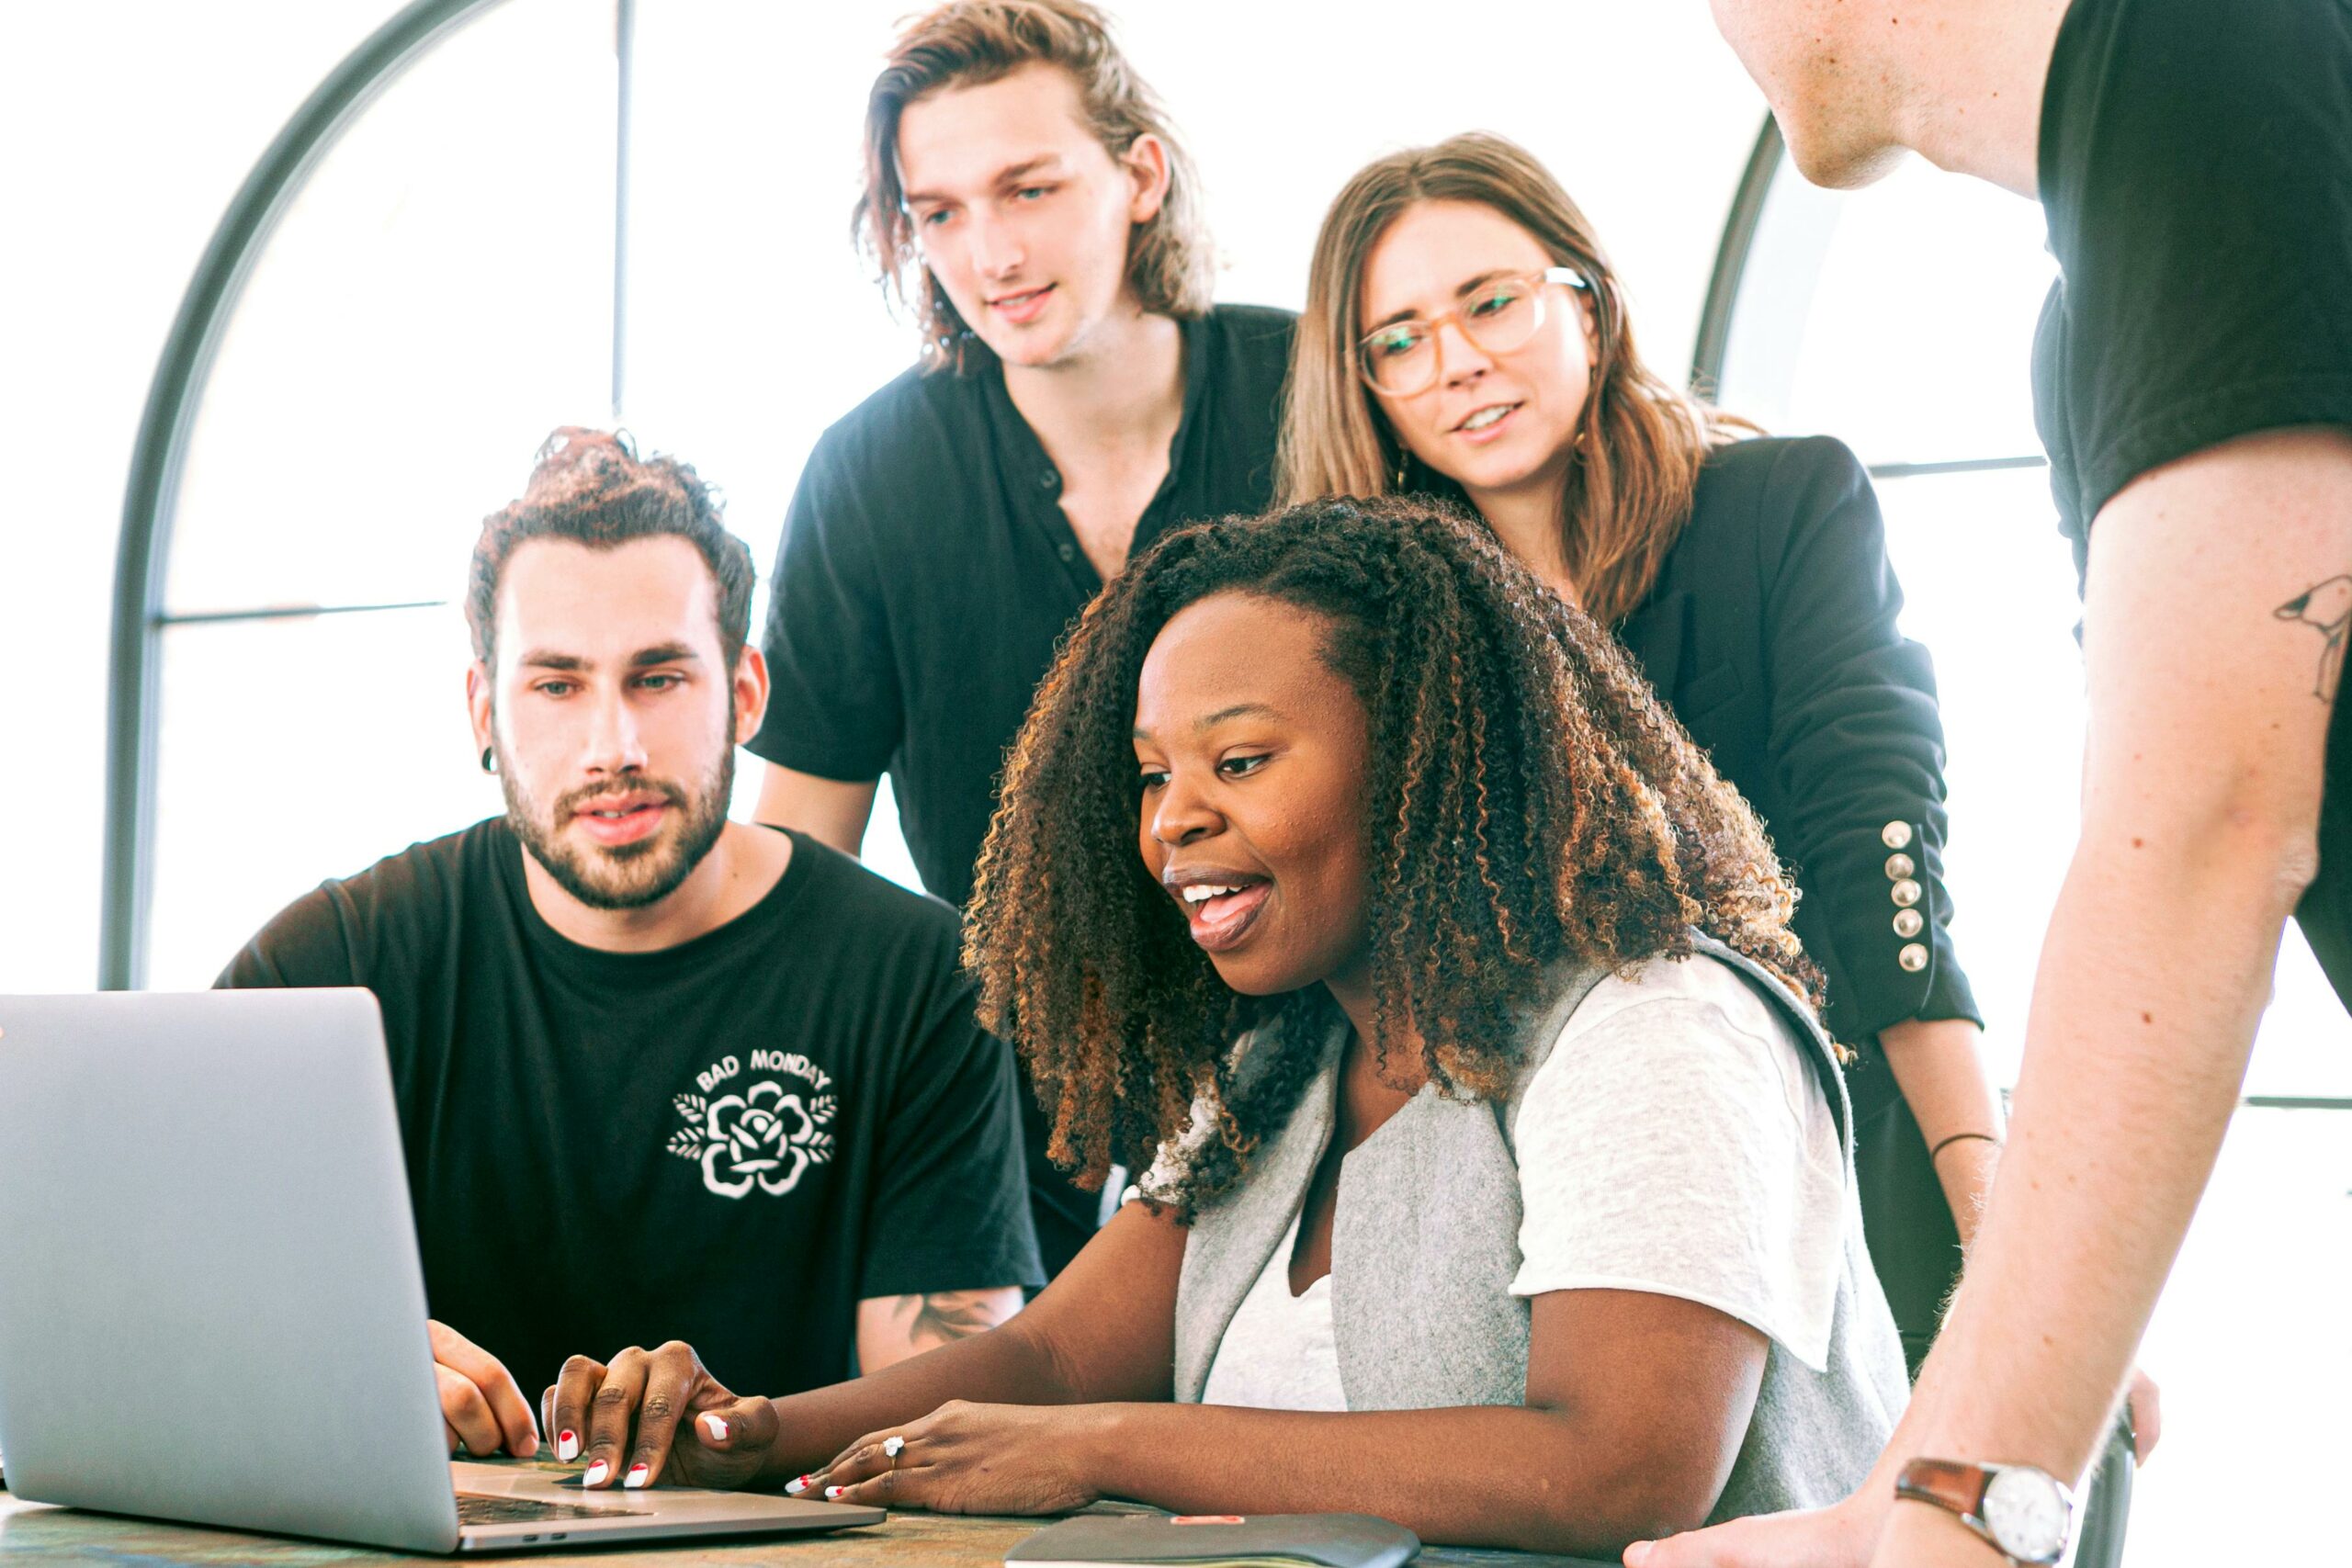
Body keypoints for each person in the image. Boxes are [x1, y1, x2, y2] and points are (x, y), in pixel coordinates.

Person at [530, 496, 1910, 1555]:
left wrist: (1109, 1447)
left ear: (1425, 752)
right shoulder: (1289, 1060)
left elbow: (1619, 1461)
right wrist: (745, 1434)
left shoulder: (1653, 1022)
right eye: (1151, 775)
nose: (1172, 819)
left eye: (1238, 760)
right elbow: (1052, 1355)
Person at [1638, 2, 2352, 1566]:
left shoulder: (2215, 53)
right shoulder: (2095, 284)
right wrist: (1920, 1485)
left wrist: (1965, 1509)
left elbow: (2207, 834)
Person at [1282, 131, 2000, 1371]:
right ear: (1367, 390)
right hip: (1532, 1183)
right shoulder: (1367, 630)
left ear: (1591, 303)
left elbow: (1881, 841)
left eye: (1490, 303)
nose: (1455, 362)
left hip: (1827, 1124)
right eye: (1396, 340)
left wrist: (1989, 1195)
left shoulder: (1780, 509)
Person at [220, 429, 1042, 1472]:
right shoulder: (333, 962)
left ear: (744, 692)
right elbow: (153, 1290)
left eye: (658, 679)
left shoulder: (917, 975)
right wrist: (336, 1365)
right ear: (484, 710)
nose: (614, 745)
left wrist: (738, 1437)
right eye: (557, 687)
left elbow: (942, 1422)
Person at [746, 0, 1294, 1277]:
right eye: (938, 212)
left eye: (1028, 188)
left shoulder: (1312, 390)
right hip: (1020, 1128)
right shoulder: (869, 475)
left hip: (1339, 1077)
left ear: (1139, 173)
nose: (988, 250)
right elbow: (795, 872)